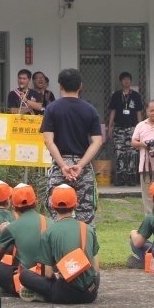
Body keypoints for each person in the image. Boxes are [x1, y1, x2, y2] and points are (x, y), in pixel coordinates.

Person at [40, 68, 104, 226]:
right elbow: (97, 141)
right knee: (86, 212)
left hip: (59, 166)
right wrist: (81, 165)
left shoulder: (52, 109)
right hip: (83, 167)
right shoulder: (90, 110)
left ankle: (60, 245)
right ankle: (86, 248)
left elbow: (48, 140)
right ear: (80, 86)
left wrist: (62, 165)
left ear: (60, 86)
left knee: (56, 210)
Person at [18, 184, 100, 304]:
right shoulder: (88, 229)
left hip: (65, 294)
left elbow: (48, 273)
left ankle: (47, 295)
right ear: (76, 205)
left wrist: (57, 277)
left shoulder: (49, 233)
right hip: (90, 293)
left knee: (24, 275)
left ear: (52, 206)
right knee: (94, 277)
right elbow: (96, 269)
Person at [0, 184, 48, 297]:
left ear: (13, 207)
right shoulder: (50, 222)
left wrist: (7, 232)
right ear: (36, 203)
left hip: (24, 279)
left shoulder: (11, 227)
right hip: (48, 276)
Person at [106, 72, 144, 187]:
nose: (126, 81)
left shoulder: (136, 96)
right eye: (124, 79)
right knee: (119, 152)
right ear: (121, 81)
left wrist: (140, 127)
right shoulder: (116, 95)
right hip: (118, 128)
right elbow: (113, 111)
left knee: (132, 152)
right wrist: (110, 126)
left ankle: (131, 177)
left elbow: (138, 112)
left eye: (128, 79)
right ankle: (120, 177)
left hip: (132, 127)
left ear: (131, 81)